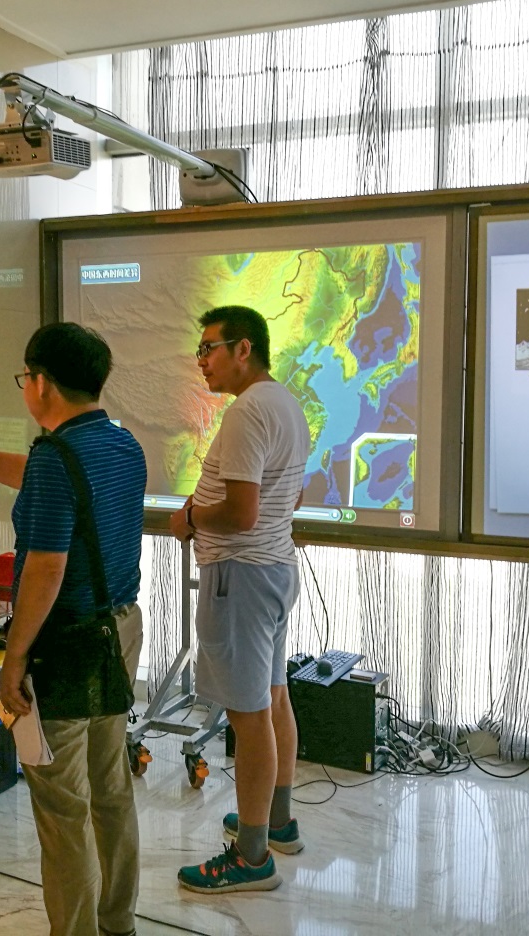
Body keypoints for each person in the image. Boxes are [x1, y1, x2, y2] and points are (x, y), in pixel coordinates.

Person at [0, 322, 147, 936]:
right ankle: (117, 922)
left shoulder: (55, 458)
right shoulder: (122, 444)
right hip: (118, 632)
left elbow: (45, 567)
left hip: (63, 646)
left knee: (63, 806)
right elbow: (48, 476)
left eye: (25, 378)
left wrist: (13, 658)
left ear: (41, 383)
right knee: (110, 787)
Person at [169, 305, 309, 893]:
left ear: (243, 349)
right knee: (272, 700)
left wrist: (189, 519)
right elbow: (289, 498)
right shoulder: (286, 403)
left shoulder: (248, 411)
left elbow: (242, 514)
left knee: (250, 718)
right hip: (273, 569)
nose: (201, 361)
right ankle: (275, 823)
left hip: (242, 577)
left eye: (209, 348)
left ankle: (252, 858)